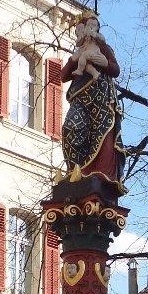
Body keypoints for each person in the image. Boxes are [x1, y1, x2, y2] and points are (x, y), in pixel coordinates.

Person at [60, 13, 125, 186]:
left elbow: (115, 69)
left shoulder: (103, 47)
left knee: (102, 132)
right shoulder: (80, 50)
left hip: (101, 97)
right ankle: (74, 170)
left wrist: (104, 63)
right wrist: (73, 59)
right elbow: (63, 75)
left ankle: (100, 173)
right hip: (80, 96)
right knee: (71, 127)